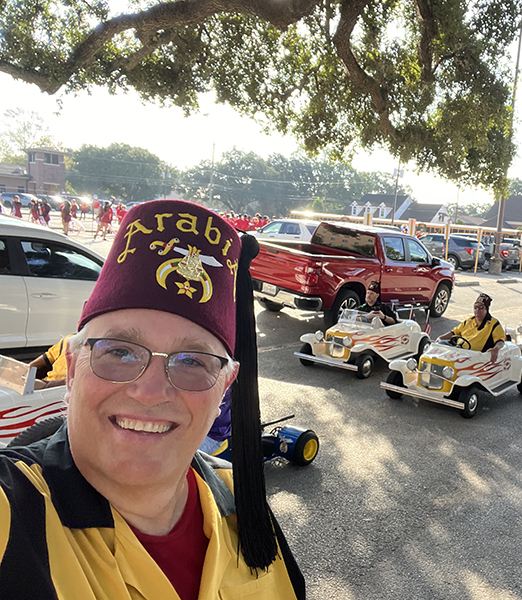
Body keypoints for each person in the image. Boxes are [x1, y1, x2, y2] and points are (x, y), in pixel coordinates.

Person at [0, 200, 305, 599]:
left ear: (223, 389)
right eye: (120, 351)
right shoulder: (14, 510)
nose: (150, 392)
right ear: (72, 369)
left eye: (192, 361)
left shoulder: (241, 502)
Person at [436, 293, 505, 362]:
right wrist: (441, 337)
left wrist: (496, 349)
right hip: (458, 351)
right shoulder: (469, 321)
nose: (477, 310)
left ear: (486, 309)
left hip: (473, 357)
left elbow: (500, 340)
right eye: (475, 307)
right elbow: (454, 332)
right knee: (441, 344)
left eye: (481, 307)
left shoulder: (494, 324)